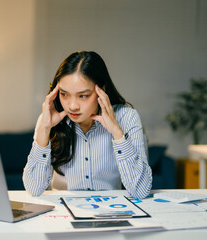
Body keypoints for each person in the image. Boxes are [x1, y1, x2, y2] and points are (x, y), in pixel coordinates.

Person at [23, 51, 152, 199]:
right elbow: (34, 189)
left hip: (111, 210)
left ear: (101, 90)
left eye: (83, 96)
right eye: (64, 94)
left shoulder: (127, 117)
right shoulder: (49, 119)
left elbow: (141, 191)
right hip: (64, 211)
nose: (72, 106)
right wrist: (44, 130)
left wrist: (117, 133)